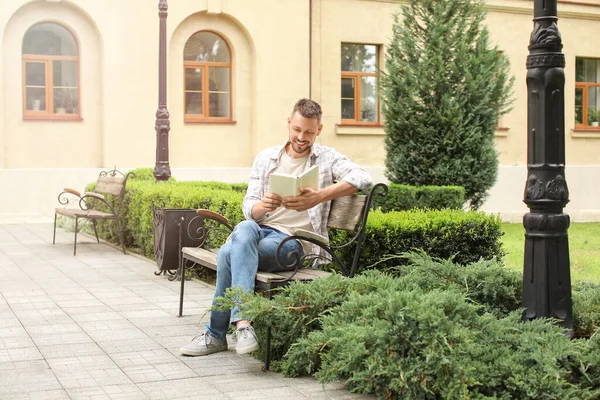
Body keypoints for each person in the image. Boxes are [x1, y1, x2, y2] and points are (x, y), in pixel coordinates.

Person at [179, 98, 372, 356]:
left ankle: (217, 334)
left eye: (309, 132)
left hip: (297, 243)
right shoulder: (266, 158)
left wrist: (319, 196)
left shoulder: (327, 158)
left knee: (228, 253)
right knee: (246, 227)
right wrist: (264, 206)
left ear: (319, 130)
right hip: (261, 232)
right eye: (297, 130)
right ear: (289, 123)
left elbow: (363, 177)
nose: (302, 137)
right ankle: (244, 323)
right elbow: (249, 207)